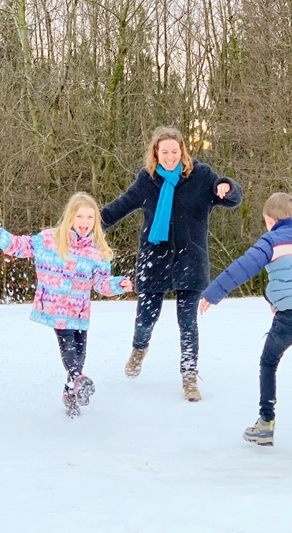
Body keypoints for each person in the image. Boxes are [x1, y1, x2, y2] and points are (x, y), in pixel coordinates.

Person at [199, 192, 292, 465]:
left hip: (288, 319)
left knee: (268, 363)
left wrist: (212, 294)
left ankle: (265, 424)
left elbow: (241, 269)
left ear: (268, 220)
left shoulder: (271, 241)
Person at [100, 126, 243, 402]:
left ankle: (189, 377)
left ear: (182, 151)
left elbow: (233, 198)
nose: (170, 157)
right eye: (164, 152)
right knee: (145, 319)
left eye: (174, 152)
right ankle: (139, 349)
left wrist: (227, 185)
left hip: (191, 258)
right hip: (154, 259)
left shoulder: (201, 177)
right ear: (156, 153)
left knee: (187, 323)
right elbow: (119, 207)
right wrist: (89, 225)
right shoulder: (147, 181)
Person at [0, 192, 133, 418]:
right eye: (80, 217)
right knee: (69, 348)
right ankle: (77, 379)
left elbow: (100, 283)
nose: (84, 223)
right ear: (70, 217)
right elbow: (20, 246)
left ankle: (70, 392)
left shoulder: (97, 251)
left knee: (80, 354)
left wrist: (119, 284)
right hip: (55, 307)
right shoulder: (49, 239)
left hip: (79, 311)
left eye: (90, 218)